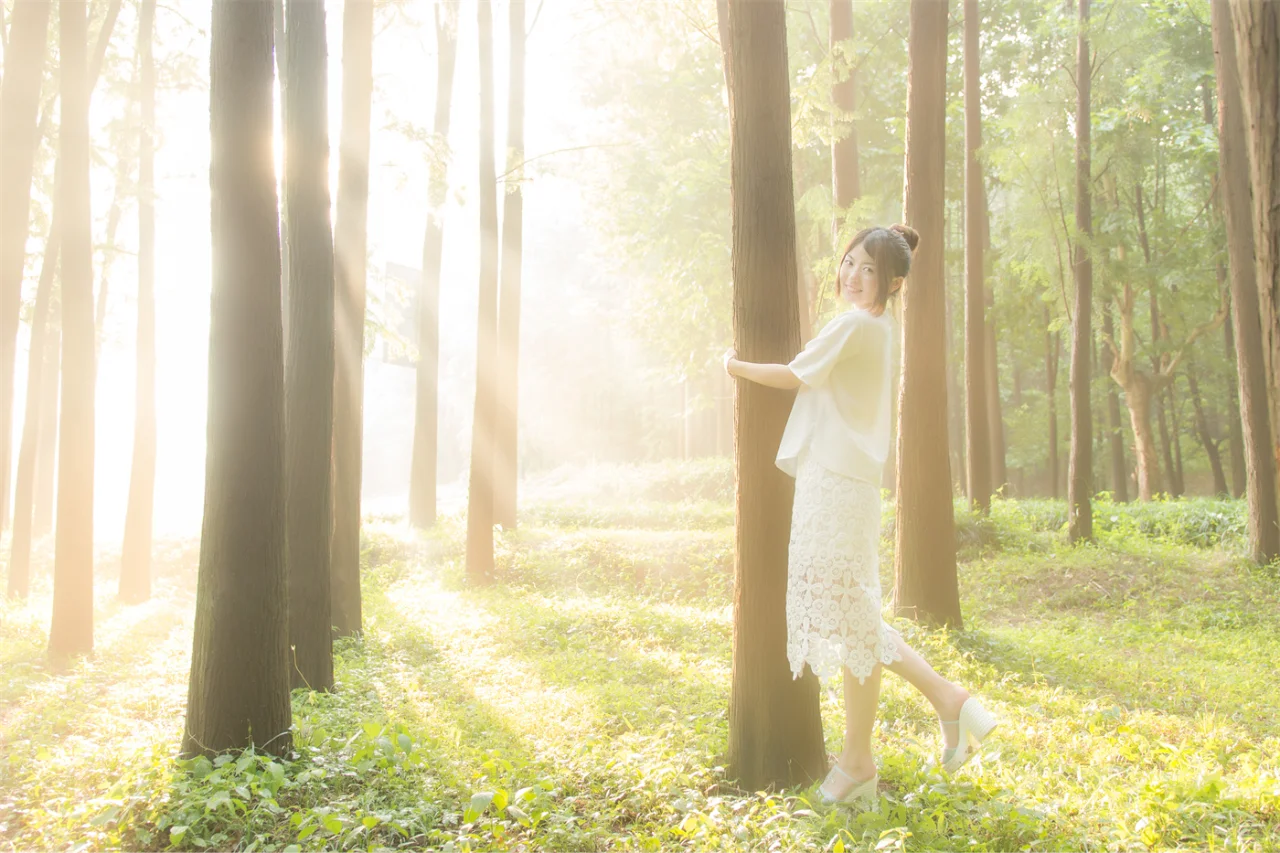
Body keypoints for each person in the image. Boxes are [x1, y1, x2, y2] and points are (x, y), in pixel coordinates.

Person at [723, 224, 997, 808]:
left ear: (893, 282)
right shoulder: (878, 328)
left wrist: (734, 367)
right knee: (853, 619)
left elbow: (795, 376)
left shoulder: (854, 325)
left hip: (836, 484)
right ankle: (868, 754)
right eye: (849, 263)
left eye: (868, 270)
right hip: (844, 482)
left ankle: (934, 707)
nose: (853, 276)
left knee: (850, 615)